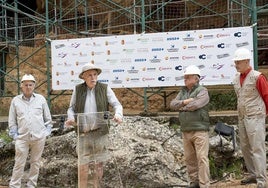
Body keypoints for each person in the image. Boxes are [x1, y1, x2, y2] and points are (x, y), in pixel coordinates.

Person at [65, 63, 123, 188]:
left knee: (99, 166)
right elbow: (71, 108)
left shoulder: (104, 88)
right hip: (83, 134)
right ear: (83, 77)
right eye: (89, 75)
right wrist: (71, 118)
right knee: (83, 166)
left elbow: (117, 105)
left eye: (95, 74)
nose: (93, 78)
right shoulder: (77, 89)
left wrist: (118, 115)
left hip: (100, 133)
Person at [8, 74, 53, 188]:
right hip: (22, 138)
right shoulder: (15, 101)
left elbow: (48, 119)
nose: (28, 87)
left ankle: (31, 185)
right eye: (25, 85)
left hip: (38, 138)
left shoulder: (41, 99)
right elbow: (12, 121)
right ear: (21, 86)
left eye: (30, 85)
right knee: (19, 163)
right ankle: (14, 186)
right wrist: (15, 136)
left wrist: (46, 133)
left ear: (34, 86)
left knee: (35, 162)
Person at [232, 48, 268, 188]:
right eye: (235, 62)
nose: (236, 64)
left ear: (247, 61)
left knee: (257, 148)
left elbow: (266, 95)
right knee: (245, 147)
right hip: (242, 116)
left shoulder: (258, 77)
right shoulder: (236, 78)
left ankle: (261, 180)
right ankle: (253, 174)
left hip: (255, 116)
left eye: (238, 62)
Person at [170, 65, 210, 188]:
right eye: (185, 77)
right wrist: (185, 102)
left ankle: (204, 184)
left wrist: (182, 108)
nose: (185, 79)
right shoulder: (182, 92)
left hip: (200, 129)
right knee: (189, 158)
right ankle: (194, 182)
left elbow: (197, 104)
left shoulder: (203, 91)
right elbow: (172, 104)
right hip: (186, 129)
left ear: (196, 78)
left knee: (202, 158)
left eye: (188, 77)